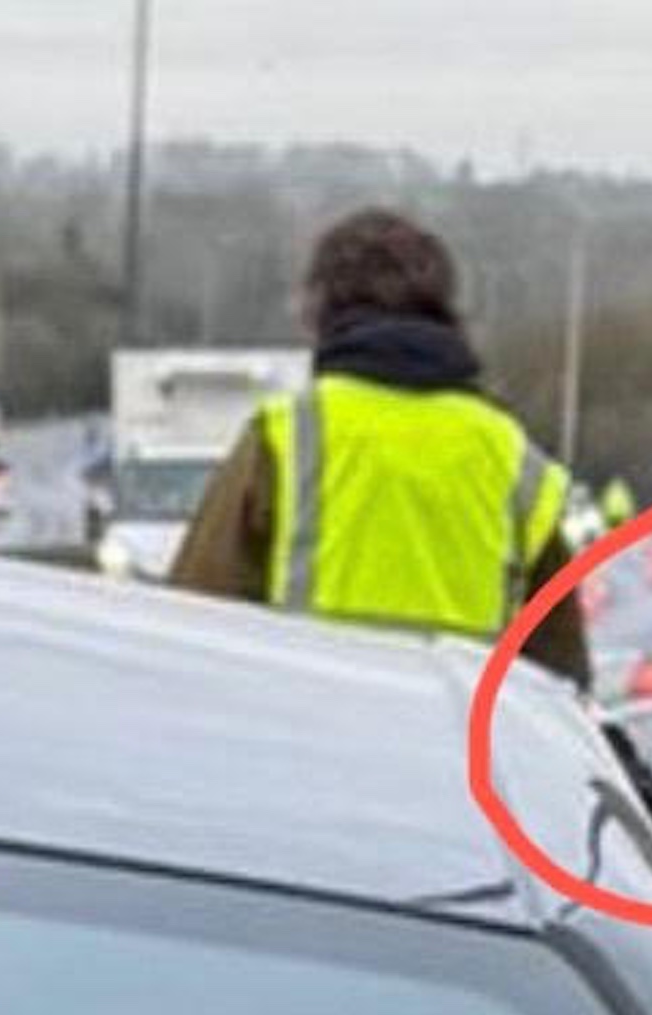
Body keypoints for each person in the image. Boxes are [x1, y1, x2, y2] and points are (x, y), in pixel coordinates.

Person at [170, 208, 590, 688]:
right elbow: (561, 675)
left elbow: (196, 619)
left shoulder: (287, 435)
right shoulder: (510, 457)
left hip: (310, 737)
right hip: (457, 749)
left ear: (317, 311)